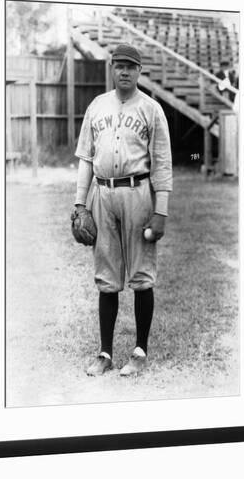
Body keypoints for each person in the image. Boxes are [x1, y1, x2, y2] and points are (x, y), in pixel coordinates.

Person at [72, 43, 173, 376]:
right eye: (119, 66)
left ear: (139, 71)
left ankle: (140, 352)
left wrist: (161, 211)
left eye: (131, 66)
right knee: (106, 276)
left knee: (142, 276)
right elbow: (86, 158)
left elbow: (162, 163)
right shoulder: (97, 106)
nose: (125, 71)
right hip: (102, 194)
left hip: (138, 192)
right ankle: (104, 353)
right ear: (112, 69)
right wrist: (79, 203)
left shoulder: (152, 109)